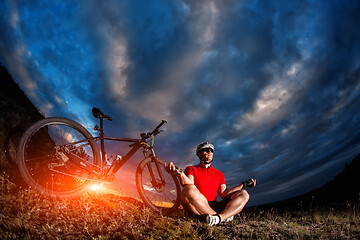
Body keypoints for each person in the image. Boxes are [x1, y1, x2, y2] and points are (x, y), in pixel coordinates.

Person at [165, 142, 256, 226]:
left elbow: (224, 194)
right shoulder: (191, 169)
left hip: (214, 205)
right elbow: (188, 183)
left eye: (211, 150)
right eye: (206, 150)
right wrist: (180, 173)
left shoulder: (219, 174)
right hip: (199, 203)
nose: (209, 152)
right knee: (188, 189)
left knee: (244, 193)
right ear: (199, 154)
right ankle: (223, 217)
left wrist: (243, 184)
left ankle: (219, 218)